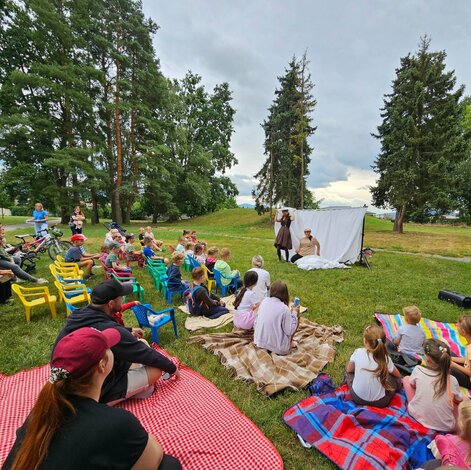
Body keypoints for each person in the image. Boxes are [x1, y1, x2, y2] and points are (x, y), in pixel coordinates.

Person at [3, 327, 181, 470]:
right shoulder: (116, 422)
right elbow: (154, 456)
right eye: (109, 348)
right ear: (102, 365)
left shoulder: (41, 413)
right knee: (169, 465)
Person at [52, 279, 179, 404]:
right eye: (121, 297)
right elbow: (145, 354)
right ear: (111, 303)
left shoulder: (82, 315)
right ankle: (109, 400)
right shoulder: (110, 329)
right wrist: (172, 368)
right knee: (156, 370)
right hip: (89, 389)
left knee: (142, 343)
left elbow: (105, 327)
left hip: (72, 377)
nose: (123, 299)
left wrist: (128, 330)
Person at [402, 339, 462, 432]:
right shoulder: (452, 380)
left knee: (406, 379)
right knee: (462, 401)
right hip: (446, 426)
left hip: (417, 415)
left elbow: (412, 385)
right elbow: (458, 400)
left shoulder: (418, 370)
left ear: (427, 358)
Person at [345, 324, 402, 408]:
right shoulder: (385, 359)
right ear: (384, 342)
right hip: (381, 402)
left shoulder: (358, 352)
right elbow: (397, 375)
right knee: (395, 379)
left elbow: (349, 370)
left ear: (365, 341)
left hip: (357, 398)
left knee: (348, 372)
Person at [419, 401, 471, 469]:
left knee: (433, 462)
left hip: (446, 463)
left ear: (462, 425)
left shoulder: (448, 440)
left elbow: (439, 452)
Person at [254, 281, 300, 355]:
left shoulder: (264, 301)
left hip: (259, 342)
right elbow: (289, 331)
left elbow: (256, 321)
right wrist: (294, 313)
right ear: (285, 294)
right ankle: (288, 343)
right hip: (279, 348)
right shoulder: (284, 309)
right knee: (296, 320)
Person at [451, 315, 471, 389]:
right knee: (447, 352)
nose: (456, 326)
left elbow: (470, 372)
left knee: (447, 367)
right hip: (467, 367)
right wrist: (452, 358)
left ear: (463, 332)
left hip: (469, 380)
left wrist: (453, 364)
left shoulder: (470, 350)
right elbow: (467, 361)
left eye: (458, 326)